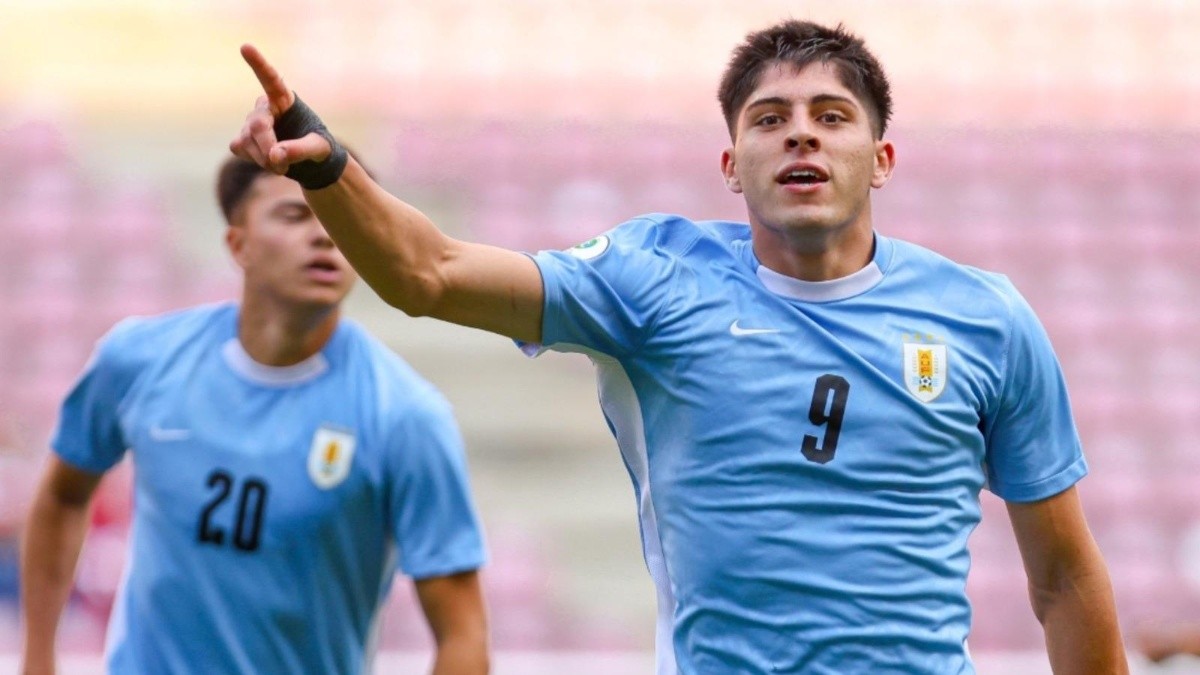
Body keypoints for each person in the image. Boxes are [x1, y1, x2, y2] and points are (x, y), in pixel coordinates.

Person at [228, 19, 1127, 674]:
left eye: (831, 115)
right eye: (768, 118)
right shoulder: (655, 281)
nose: (801, 132)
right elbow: (429, 273)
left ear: (881, 159)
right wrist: (327, 164)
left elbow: (1062, 575)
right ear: (731, 166)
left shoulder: (985, 319)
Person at [19, 155, 490, 674]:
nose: (326, 235)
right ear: (238, 244)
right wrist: (38, 658)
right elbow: (63, 495)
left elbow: (463, 634)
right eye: (296, 215)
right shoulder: (138, 361)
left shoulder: (405, 416)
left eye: (342, 220)